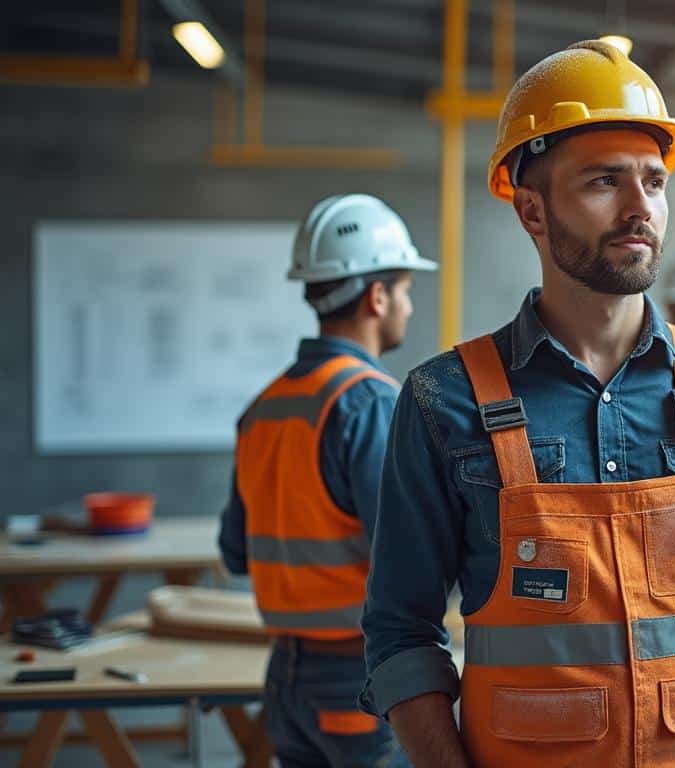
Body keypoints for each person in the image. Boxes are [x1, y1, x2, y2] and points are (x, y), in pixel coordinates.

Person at [358, 40, 675, 768]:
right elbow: (400, 632)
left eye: (654, 180)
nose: (639, 206)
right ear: (532, 210)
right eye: (602, 182)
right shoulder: (443, 402)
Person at [218, 194, 436, 768]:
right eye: (406, 291)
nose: (409, 308)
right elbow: (408, 558)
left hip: (286, 681)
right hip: (359, 678)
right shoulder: (369, 403)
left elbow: (235, 553)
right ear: (377, 295)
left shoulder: (265, 406)